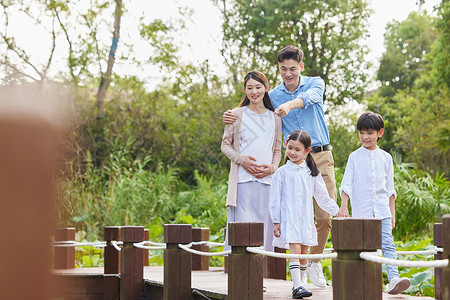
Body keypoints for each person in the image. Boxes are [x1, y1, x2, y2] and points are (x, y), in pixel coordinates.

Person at [223, 45, 335, 286]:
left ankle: (314, 261)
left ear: (301, 67)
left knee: (324, 215)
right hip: (292, 160)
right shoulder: (272, 95)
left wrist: (291, 105)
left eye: (292, 69)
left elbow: (310, 99)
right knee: (292, 215)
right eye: (283, 69)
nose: (288, 73)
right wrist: (229, 115)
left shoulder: (315, 83)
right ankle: (298, 278)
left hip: (319, 154)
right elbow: (254, 106)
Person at [337, 112, 411, 295]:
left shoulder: (386, 158)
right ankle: (362, 282)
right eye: (361, 132)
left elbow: (390, 190)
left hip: (382, 211)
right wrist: (344, 206)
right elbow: (347, 183)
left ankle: (393, 278)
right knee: (364, 248)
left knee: (388, 244)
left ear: (380, 133)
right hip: (361, 211)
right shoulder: (354, 157)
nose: (365, 137)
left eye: (369, 132)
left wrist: (392, 214)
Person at [270, 130, 339, 299]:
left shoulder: (311, 173)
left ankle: (300, 285)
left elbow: (323, 197)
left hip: (305, 219)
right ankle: (297, 286)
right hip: (289, 218)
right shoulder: (281, 173)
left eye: (297, 149)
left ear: (307, 151)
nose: (292, 152)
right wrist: (276, 221)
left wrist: (338, 212)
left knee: (303, 252)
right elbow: (275, 199)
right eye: (290, 148)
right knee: (294, 249)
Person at [221, 70, 282, 252]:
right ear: (244, 89)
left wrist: (271, 168)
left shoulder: (275, 118)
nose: (254, 92)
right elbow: (225, 145)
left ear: (266, 88)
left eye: (258, 87)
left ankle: (263, 272)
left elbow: (278, 149)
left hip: (267, 182)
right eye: (250, 88)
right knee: (243, 228)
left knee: (265, 227)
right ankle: (240, 272)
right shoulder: (236, 114)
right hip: (243, 180)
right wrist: (242, 160)